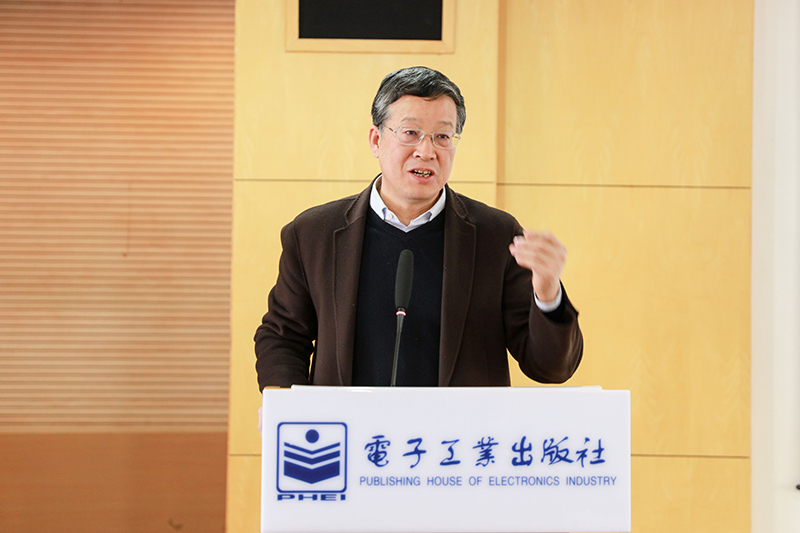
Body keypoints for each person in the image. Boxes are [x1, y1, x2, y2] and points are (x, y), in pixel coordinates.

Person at [254, 66, 582, 390]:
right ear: (376, 140)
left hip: (459, 426)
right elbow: (284, 336)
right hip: (346, 424)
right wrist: (281, 404)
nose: (426, 152)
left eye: (442, 137)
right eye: (410, 133)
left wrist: (547, 292)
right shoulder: (313, 234)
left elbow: (550, 367)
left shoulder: (496, 236)